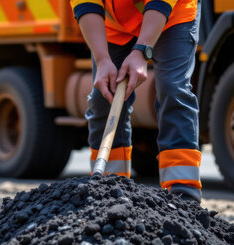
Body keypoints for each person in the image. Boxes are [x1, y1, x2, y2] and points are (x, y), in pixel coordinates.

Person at [71, 0, 202, 202]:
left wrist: (142, 50)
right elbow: (86, 3)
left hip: (173, 15)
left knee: (172, 88)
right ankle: (109, 189)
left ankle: (184, 193)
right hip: (118, 24)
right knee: (103, 97)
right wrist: (102, 59)